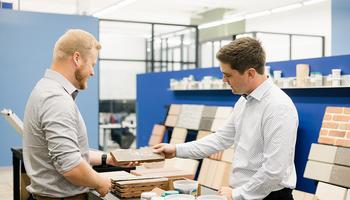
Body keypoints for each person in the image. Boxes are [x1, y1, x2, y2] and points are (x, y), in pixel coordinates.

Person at [153, 37, 298, 200]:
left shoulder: (278, 107)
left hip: (269, 196)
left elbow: (274, 170)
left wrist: (236, 194)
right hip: (245, 193)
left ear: (250, 73)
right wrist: (176, 150)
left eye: (228, 75)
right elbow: (220, 139)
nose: (224, 80)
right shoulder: (244, 102)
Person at [23, 29, 136, 200]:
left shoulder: (47, 89)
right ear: (77, 58)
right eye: (92, 64)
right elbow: (70, 165)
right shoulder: (56, 98)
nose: (92, 72)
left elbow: (69, 152)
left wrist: (108, 159)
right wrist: (100, 181)